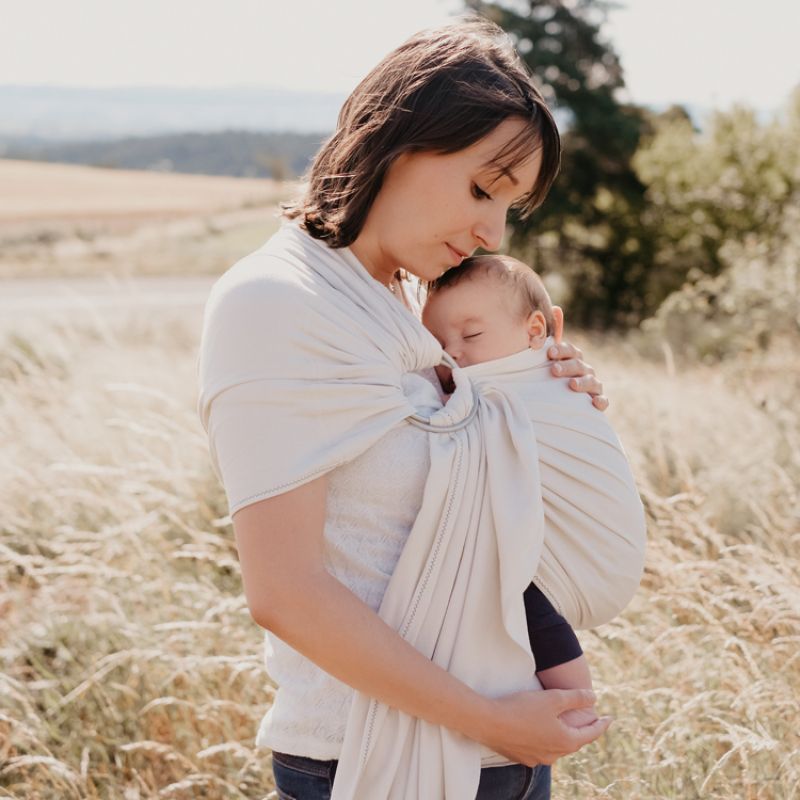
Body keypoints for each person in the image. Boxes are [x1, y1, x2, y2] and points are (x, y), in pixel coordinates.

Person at [197, 18, 631, 800]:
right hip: (371, 760)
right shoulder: (278, 301)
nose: (491, 232)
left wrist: (544, 397)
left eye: (511, 209)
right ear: (398, 140)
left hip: (507, 748)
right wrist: (492, 723)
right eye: (480, 189)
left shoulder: (411, 306)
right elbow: (285, 592)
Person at [422, 253, 603, 731]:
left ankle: (576, 700)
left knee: (527, 600)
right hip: (512, 540)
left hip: (542, 544)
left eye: (471, 336)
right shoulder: (469, 383)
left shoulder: (551, 382)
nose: (453, 353)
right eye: (439, 344)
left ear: (534, 330)